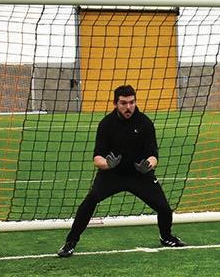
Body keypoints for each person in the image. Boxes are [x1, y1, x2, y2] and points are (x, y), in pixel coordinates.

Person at [57, 85, 186, 257]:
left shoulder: (145, 123)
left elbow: (153, 155)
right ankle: (70, 242)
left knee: (164, 208)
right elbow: (97, 157)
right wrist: (107, 164)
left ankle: (166, 237)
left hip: (139, 175)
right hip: (112, 174)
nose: (128, 107)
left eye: (132, 102)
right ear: (115, 103)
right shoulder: (106, 124)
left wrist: (148, 165)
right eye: (124, 103)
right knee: (90, 201)